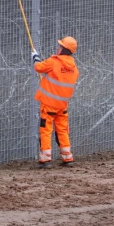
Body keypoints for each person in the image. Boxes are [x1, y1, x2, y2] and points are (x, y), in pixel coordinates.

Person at [32, 36, 79, 168]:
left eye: (60, 46)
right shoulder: (73, 67)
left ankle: (45, 160)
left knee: (45, 130)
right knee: (62, 131)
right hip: (62, 106)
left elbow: (39, 67)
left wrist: (35, 57)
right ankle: (67, 158)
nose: (58, 48)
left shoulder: (54, 61)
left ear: (64, 49)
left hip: (48, 104)